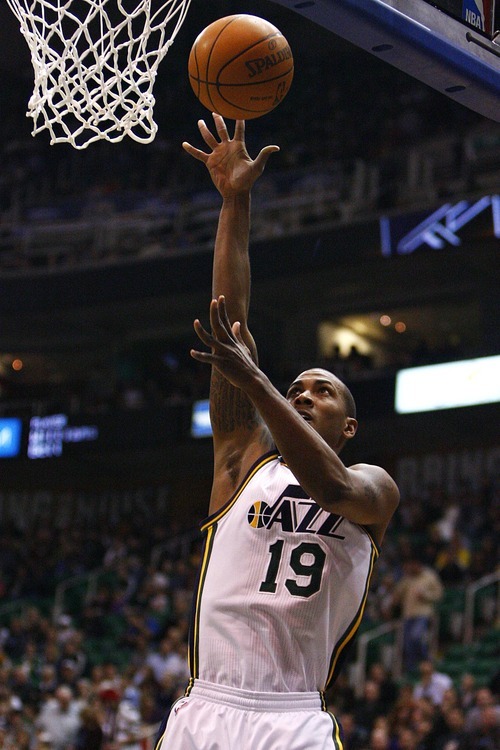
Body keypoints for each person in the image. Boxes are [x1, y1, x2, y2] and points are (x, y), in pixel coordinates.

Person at [155, 115, 399, 750]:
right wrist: (236, 202)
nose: (303, 392)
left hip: (292, 716)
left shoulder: (372, 487)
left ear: (349, 424)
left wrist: (260, 381)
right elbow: (229, 322)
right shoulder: (242, 461)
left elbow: (333, 484)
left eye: (323, 390)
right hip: (206, 707)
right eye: (296, 387)